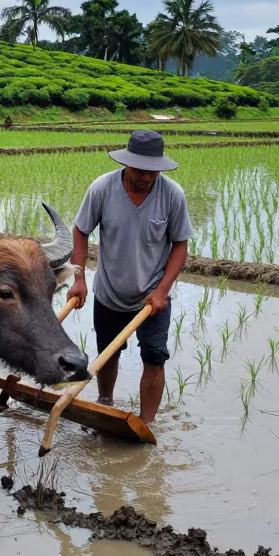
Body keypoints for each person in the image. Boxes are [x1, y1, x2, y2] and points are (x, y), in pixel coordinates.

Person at [66, 130, 192, 424]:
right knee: (107, 354)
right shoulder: (102, 188)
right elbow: (81, 231)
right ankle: (105, 403)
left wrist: (162, 290)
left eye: (152, 171)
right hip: (109, 292)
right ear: (127, 163)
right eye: (139, 170)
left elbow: (180, 245)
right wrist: (79, 278)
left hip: (153, 297)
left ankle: (146, 425)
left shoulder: (172, 195)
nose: (145, 177)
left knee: (155, 358)